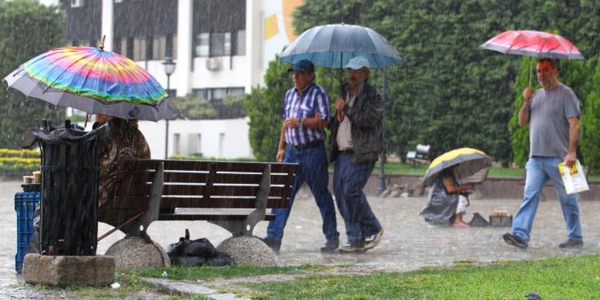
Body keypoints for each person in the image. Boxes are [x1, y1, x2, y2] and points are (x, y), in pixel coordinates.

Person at [503, 58, 583, 249]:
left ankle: (575, 236)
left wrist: (572, 152)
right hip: (536, 158)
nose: (541, 75)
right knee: (529, 196)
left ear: (556, 71)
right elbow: (522, 122)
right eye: (539, 71)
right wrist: (526, 101)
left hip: (560, 157)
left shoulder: (566, 94)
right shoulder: (535, 96)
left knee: (568, 199)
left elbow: (574, 123)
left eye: (545, 70)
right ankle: (521, 235)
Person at [262, 59, 340, 252]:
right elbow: (285, 123)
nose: (295, 77)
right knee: (282, 196)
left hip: (313, 152)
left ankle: (332, 238)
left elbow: (323, 122)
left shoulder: (318, 93)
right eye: (294, 73)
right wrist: (281, 148)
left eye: (300, 73)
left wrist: (301, 122)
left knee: (322, 196)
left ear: (311, 76)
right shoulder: (289, 95)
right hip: (292, 153)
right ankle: (273, 238)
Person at [329, 56, 384, 253]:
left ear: (366, 74)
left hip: (362, 152)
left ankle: (373, 227)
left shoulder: (373, 95)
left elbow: (367, 120)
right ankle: (356, 238)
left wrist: (347, 109)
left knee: (351, 191)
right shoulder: (343, 91)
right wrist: (334, 116)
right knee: (342, 197)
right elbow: (338, 122)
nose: (352, 75)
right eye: (350, 70)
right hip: (341, 153)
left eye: (357, 71)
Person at [96, 114, 151, 227]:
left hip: (109, 203)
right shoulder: (139, 137)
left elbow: (98, 170)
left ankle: (77, 240)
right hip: (137, 203)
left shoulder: (107, 135)